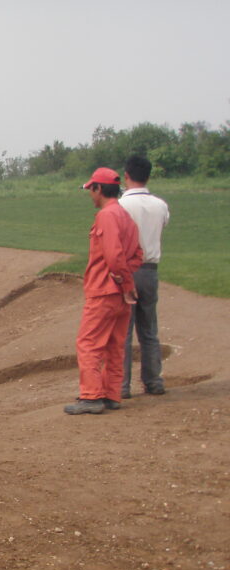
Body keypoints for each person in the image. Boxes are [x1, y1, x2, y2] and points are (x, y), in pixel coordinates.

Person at [64, 167, 143, 415]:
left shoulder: (107, 216)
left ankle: (91, 397)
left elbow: (113, 256)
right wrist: (127, 283)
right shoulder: (125, 216)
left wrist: (123, 281)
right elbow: (138, 255)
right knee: (114, 345)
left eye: (91, 189)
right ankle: (111, 394)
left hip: (104, 291)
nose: (90, 193)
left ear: (99, 188)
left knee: (88, 343)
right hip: (121, 295)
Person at [120, 155, 170, 397]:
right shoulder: (160, 205)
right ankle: (153, 380)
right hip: (150, 269)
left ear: (126, 176)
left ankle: (122, 385)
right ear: (148, 176)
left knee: (123, 331)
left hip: (127, 269)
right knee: (149, 329)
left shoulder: (121, 205)